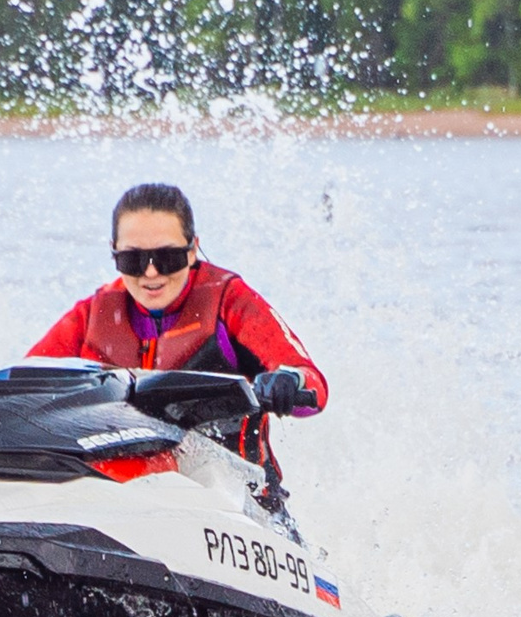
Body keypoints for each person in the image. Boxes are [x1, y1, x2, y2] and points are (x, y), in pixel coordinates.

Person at [31, 183, 327, 492]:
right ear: (113, 252)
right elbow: (27, 382)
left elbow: (314, 386)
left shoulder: (229, 301)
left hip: (241, 504)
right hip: (119, 493)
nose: (151, 273)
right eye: (133, 260)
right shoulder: (91, 315)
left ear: (192, 249)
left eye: (167, 258)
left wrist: (289, 382)